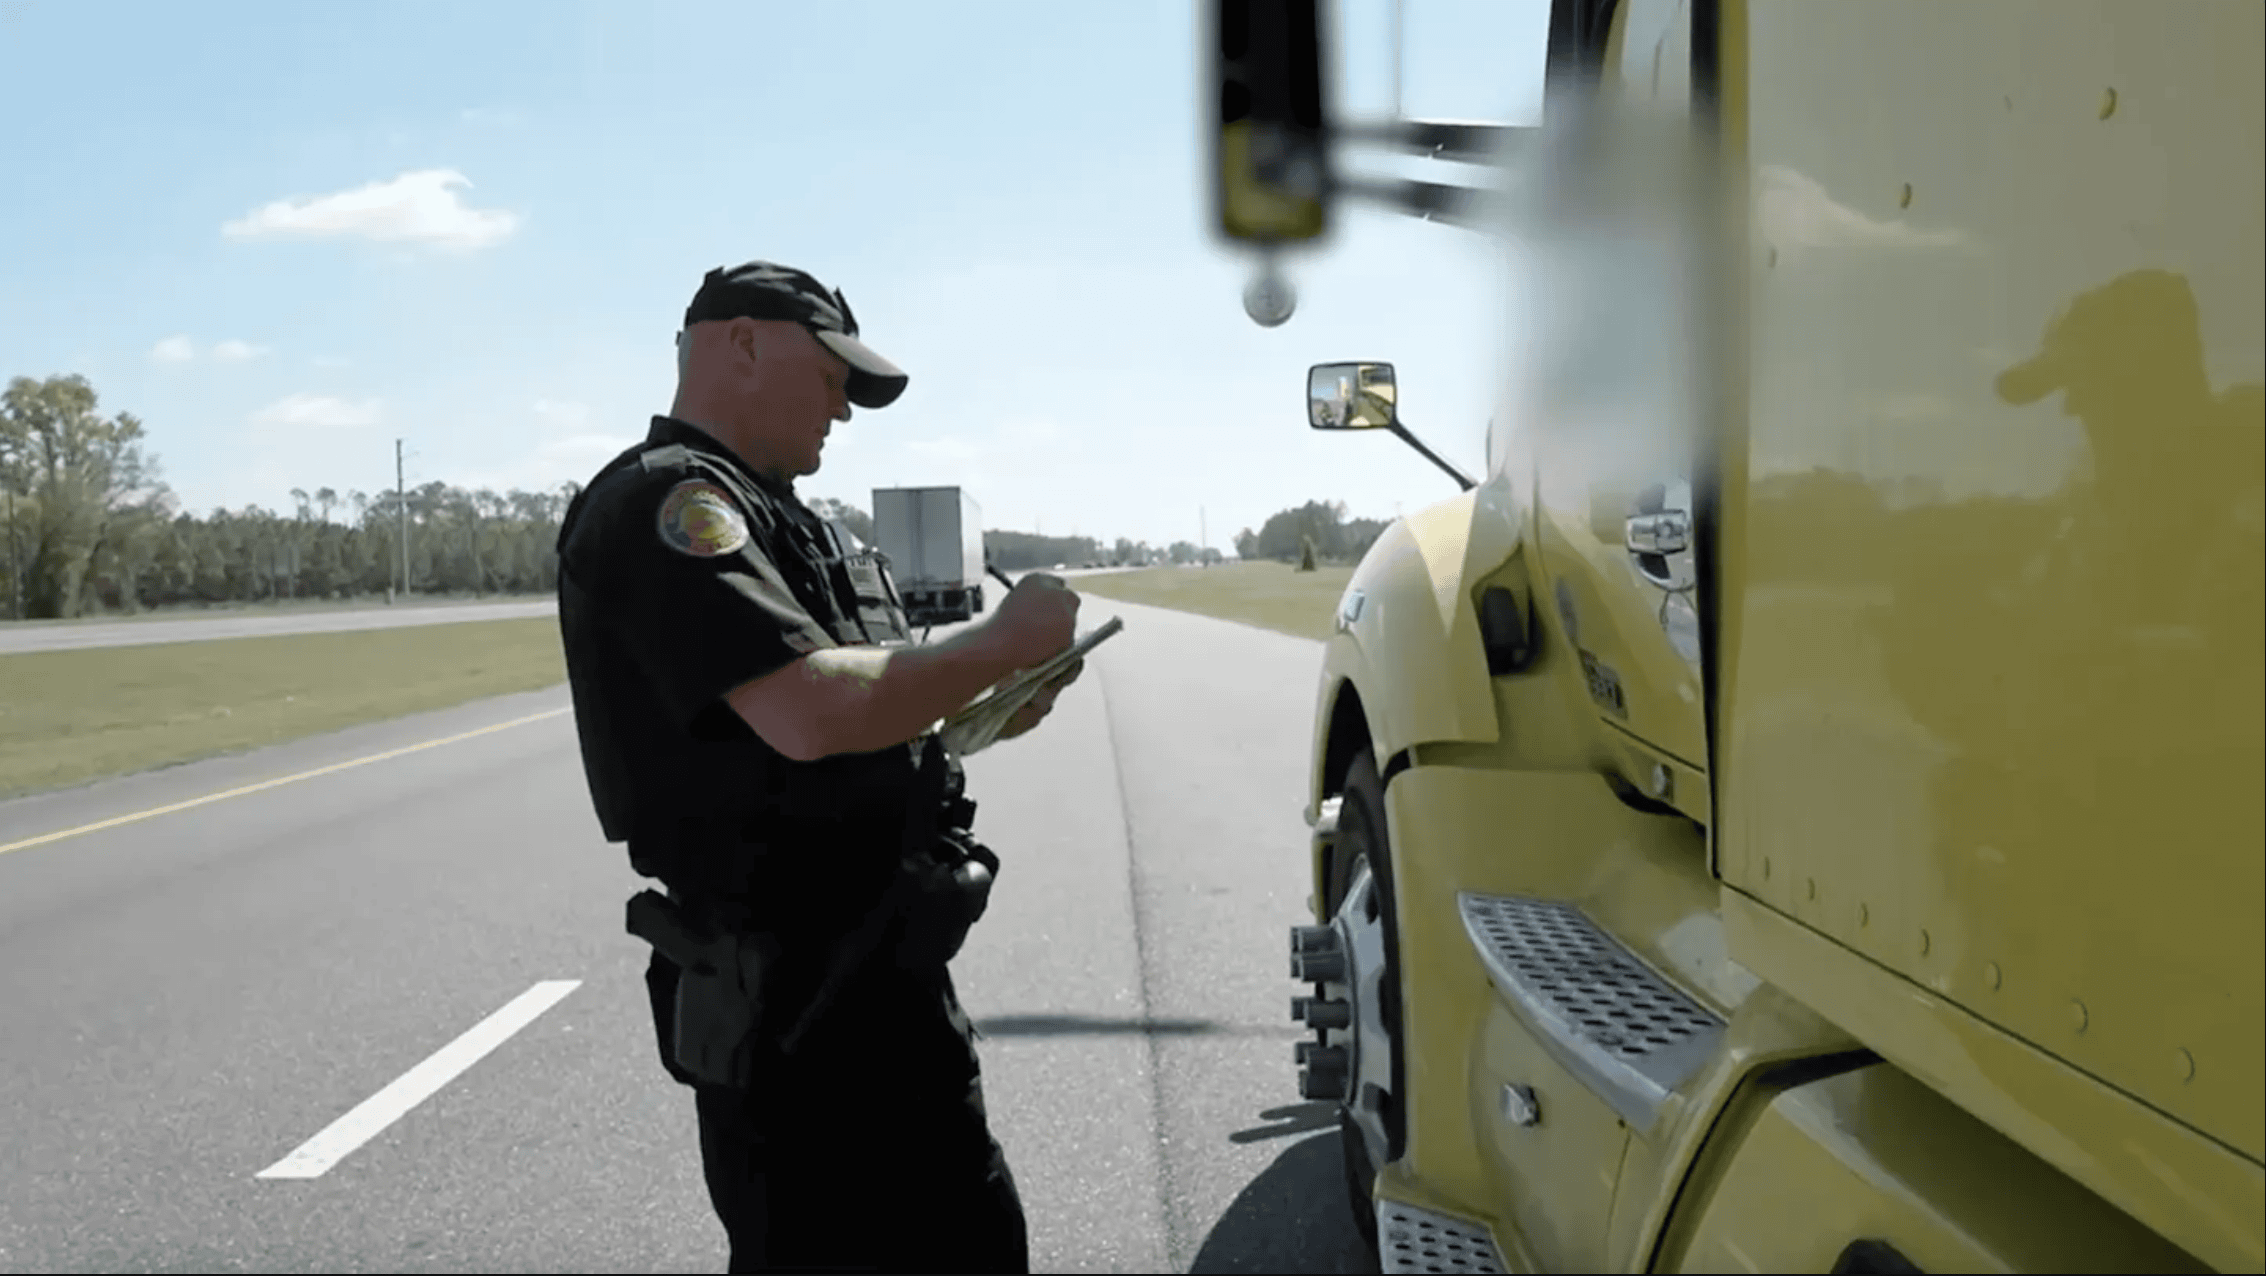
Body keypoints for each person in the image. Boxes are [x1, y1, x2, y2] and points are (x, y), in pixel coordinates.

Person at [552, 260, 1085, 1273]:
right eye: (833, 375)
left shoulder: (793, 524)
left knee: (978, 1244)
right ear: (744, 345)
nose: (842, 407)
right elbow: (806, 710)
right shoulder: (671, 505)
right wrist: (998, 640)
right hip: (795, 1014)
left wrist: (980, 705)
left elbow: (862, 706)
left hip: (889, 982)